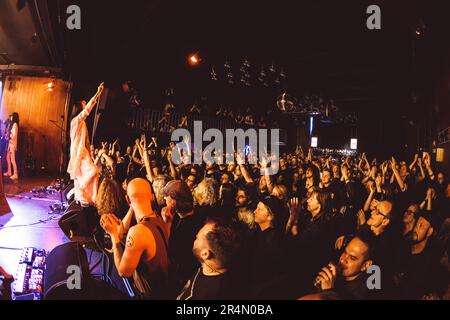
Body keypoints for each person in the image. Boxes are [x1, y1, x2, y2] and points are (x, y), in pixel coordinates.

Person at [100, 178, 169, 299]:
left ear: (127, 199)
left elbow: (123, 272)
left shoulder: (137, 232)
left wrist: (114, 237)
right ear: (152, 197)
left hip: (146, 295)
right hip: (164, 289)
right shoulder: (158, 218)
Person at [177, 219, 241, 300]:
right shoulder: (208, 269)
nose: (195, 237)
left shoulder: (207, 295)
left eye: (197, 238)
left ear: (205, 254)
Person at [161, 180, 205, 296]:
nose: (164, 199)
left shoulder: (186, 228)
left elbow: (167, 250)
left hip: (182, 279)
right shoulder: (194, 215)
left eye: (166, 196)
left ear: (173, 202)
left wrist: (167, 223)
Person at [67, 83, 104, 206]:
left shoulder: (81, 123)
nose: (85, 105)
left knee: (90, 174)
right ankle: (80, 191)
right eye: (83, 105)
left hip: (83, 151)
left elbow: (86, 140)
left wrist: (90, 151)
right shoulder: (76, 121)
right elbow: (87, 110)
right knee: (93, 171)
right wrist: (98, 93)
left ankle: (88, 199)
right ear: (79, 109)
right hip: (79, 152)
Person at [312, 236, 377, 299]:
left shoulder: (362, 293)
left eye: (352, 258)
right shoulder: (338, 271)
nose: (343, 259)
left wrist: (328, 293)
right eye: (345, 252)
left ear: (365, 265)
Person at [4, 112, 19, 180]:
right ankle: (9, 171)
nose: (11, 117)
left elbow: (14, 135)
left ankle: (15, 174)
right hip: (10, 144)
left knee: (13, 160)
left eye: (12, 116)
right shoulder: (12, 124)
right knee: (7, 158)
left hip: (12, 144)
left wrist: (9, 136)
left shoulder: (15, 125)